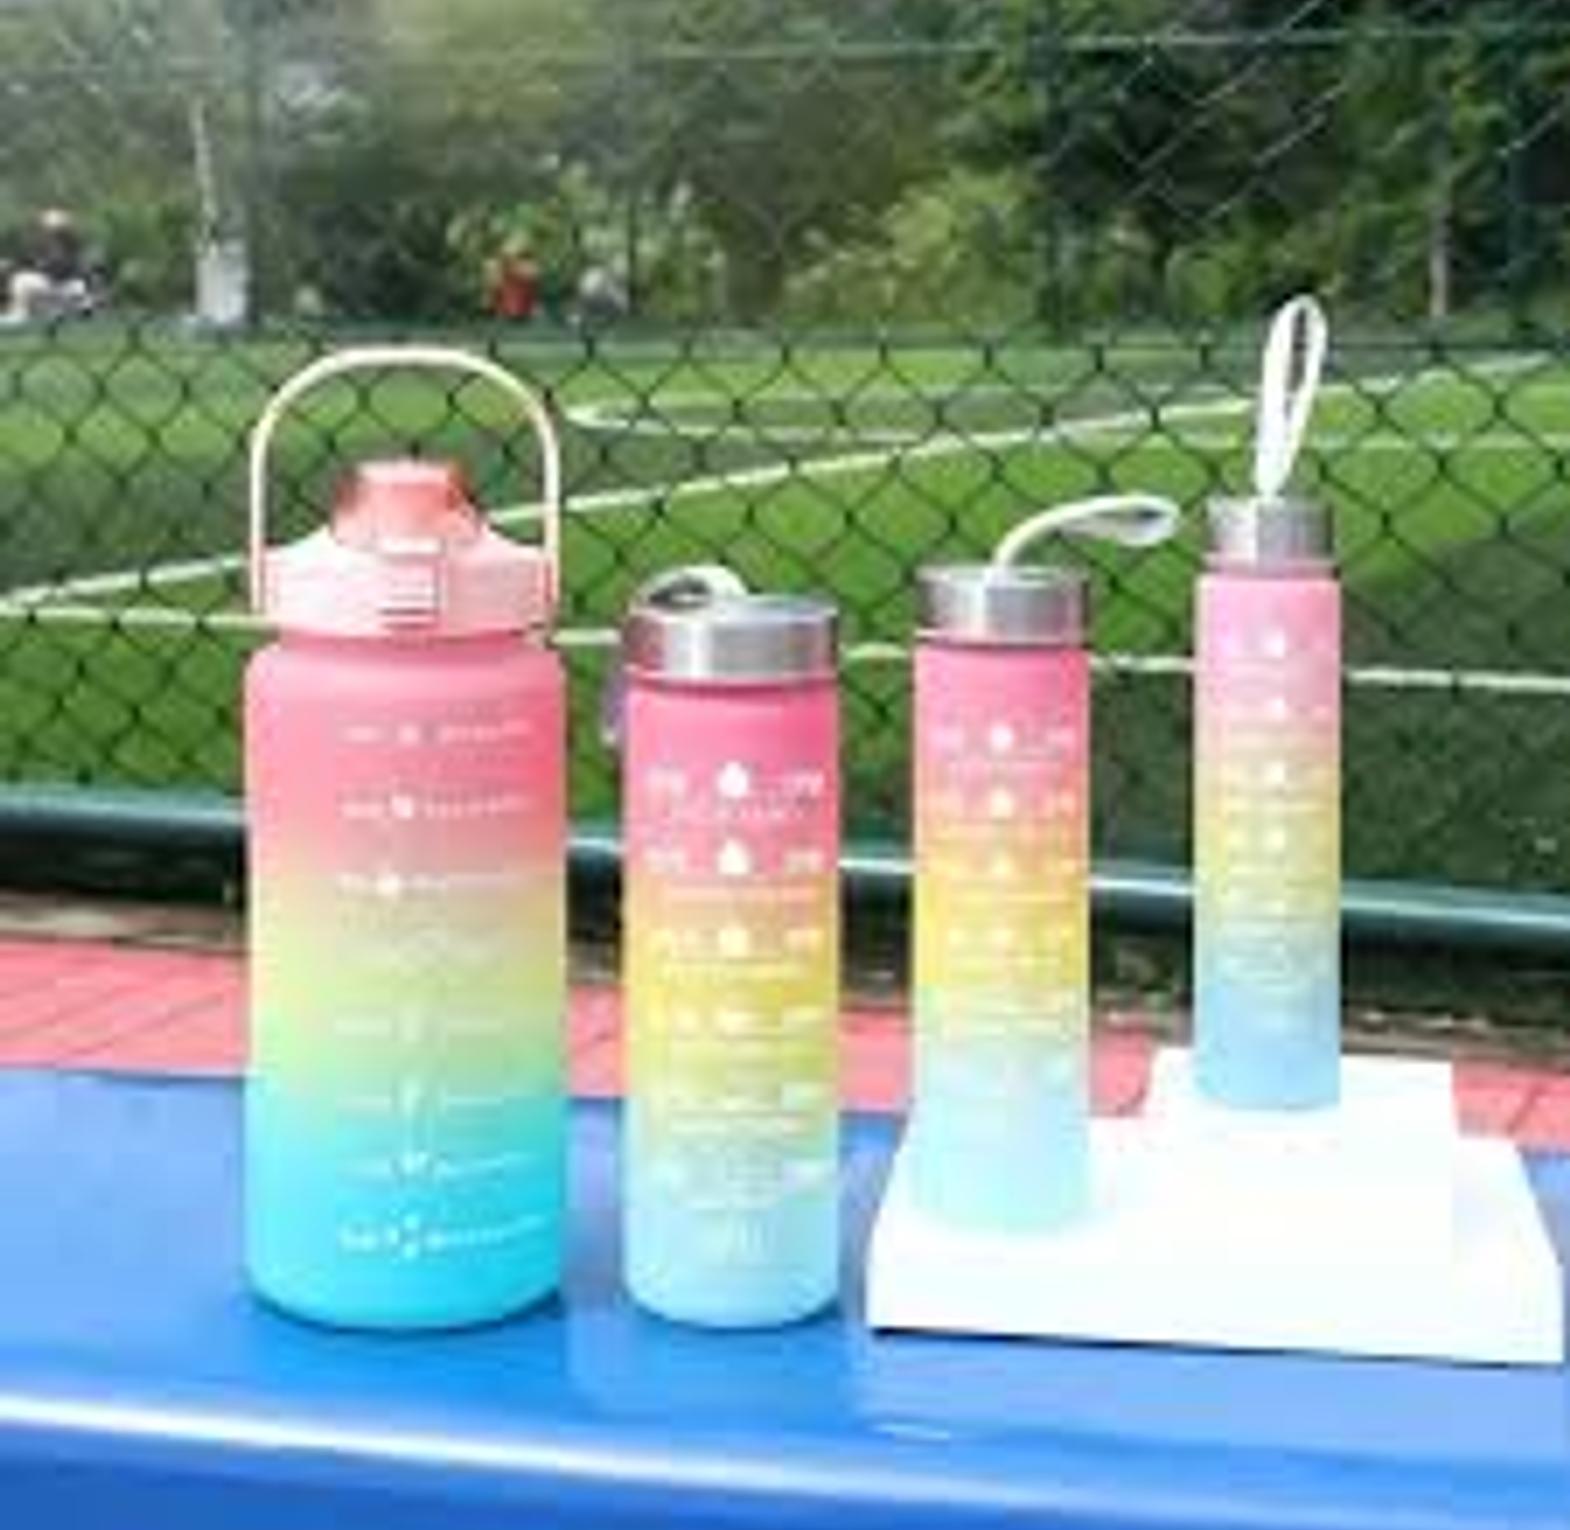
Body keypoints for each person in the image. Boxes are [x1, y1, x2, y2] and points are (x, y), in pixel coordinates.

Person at [490, 246, 539, 322]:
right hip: (508, 315)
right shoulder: (500, 276)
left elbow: (532, 285)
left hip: (524, 314)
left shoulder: (526, 273)